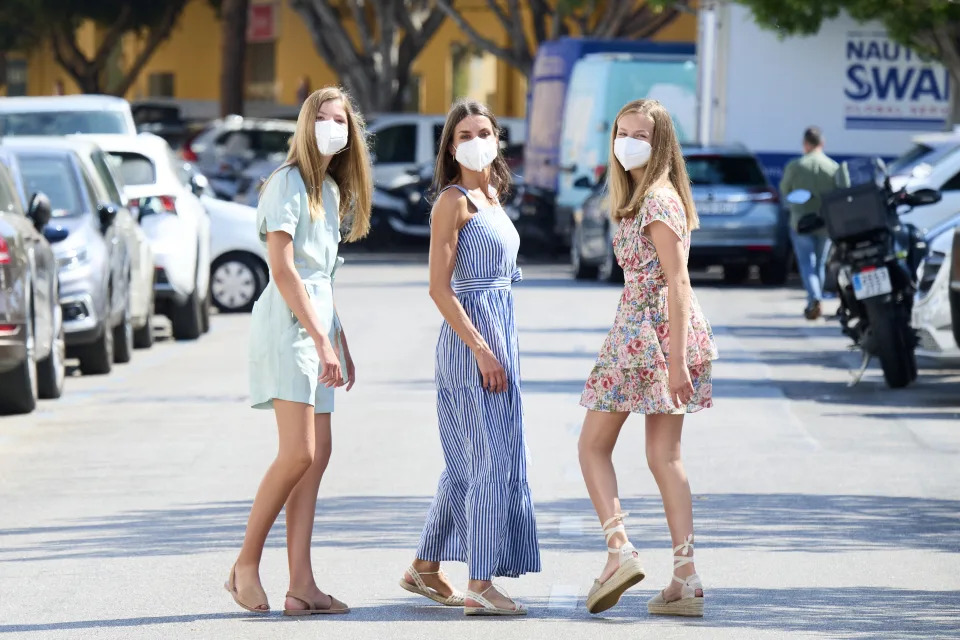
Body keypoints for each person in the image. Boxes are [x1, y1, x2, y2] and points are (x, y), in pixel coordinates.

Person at [225, 86, 373, 616]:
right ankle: (244, 563)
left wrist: (340, 340)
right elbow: (284, 271)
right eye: (323, 118)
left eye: (341, 120)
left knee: (318, 457)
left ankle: (301, 585)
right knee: (299, 453)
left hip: (318, 328)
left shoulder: (329, 192)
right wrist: (318, 339)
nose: (333, 127)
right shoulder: (286, 183)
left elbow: (323, 277)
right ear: (305, 126)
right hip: (289, 329)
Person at [578, 99, 718, 617]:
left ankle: (619, 550)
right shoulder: (649, 195)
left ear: (661, 144)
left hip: (647, 335)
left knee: (592, 446)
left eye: (641, 133)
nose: (629, 141)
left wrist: (677, 361)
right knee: (665, 457)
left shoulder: (657, 200)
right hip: (651, 332)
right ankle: (684, 576)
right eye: (622, 132)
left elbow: (677, 281)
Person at [400, 99, 540, 616]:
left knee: (473, 463)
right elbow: (440, 289)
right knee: (484, 464)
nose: (476, 139)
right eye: (464, 134)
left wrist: (500, 345)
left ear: (498, 139)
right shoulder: (452, 202)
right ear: (451, 147)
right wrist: (481, 349)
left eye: (484, 130)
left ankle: (424, 566)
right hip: (469, 344)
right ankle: (479, 584)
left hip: (502, 335)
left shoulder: (494, 196)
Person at [779, 126, 840, 320]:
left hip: (801, 223)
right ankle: (816, 297)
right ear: (822, 143)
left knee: (807, 264)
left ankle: (814, 299)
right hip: (825, 223)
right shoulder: (833, 167)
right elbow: (840, 193)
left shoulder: (796, 166)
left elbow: (785, 189)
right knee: (820, 264)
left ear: (805, 144)